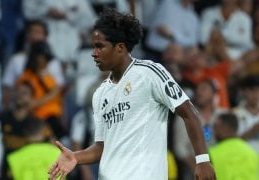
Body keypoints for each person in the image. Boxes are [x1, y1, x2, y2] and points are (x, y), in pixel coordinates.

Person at [48, 8, 216, 180]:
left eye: (100, 46)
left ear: (120, 47)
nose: (94, 53)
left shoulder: (150, 73)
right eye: (93, 47)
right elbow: (103, 147)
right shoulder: (100, 94)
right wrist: (76, 157)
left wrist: (202, 160)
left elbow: (189, 112)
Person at [209, 112, 259, 180]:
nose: (214, 130)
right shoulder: (252, 153)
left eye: (215, 127)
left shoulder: (212, 154)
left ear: (221, 129)